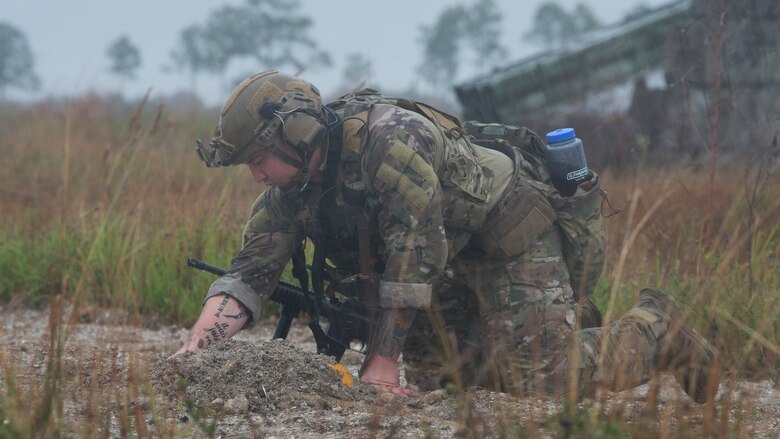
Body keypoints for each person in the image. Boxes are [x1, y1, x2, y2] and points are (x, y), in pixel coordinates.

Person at [173, 70, 719, 402]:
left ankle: (657, 330)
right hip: (448, 261)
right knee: (453, 384)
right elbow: (251, 270)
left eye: (259, 159)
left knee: (542, 375)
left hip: (509, 234)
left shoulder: (391, 141)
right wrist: (200, 341)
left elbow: (415, 253)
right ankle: (562, 324)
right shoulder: (290, 189)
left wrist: (381, 366)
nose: (256, 175)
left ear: (295, 137)